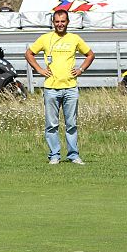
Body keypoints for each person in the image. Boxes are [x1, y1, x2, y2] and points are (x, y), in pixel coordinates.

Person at [24, 9, 95, 165]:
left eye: (63, 21)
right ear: (53, 23)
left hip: (70, 88)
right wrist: (39, 70)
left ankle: (73, 155)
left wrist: (81, 69)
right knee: (51, 125)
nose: (60, 24)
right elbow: (29, 53)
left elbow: (90, 54)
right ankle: (54, 155)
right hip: (51, 88)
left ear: (68, 22)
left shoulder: (74, 38)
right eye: (57, 21)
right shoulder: (45, 38)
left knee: (71, 124)